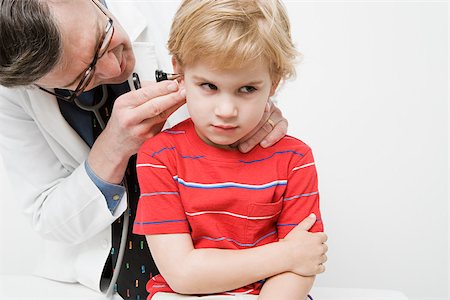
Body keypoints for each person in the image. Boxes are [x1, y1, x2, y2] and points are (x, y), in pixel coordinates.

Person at [0, 0, 326, 299]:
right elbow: (48, 215)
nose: (115, 70)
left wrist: (261, 108)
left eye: (104, 37)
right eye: (82, 79)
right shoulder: (15, 93)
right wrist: (112, 150)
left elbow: (245, 57)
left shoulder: (187, 11)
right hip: (111, 277)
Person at [132, 0, 327, 299]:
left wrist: (292, 261)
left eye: (247, 89)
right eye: (209, 86)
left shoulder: (294, 160)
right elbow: (182, 274)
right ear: (179, 73)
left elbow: (303, 264)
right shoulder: (159, 157)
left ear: (273, 84)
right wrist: (286, 254)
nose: (225, 110)